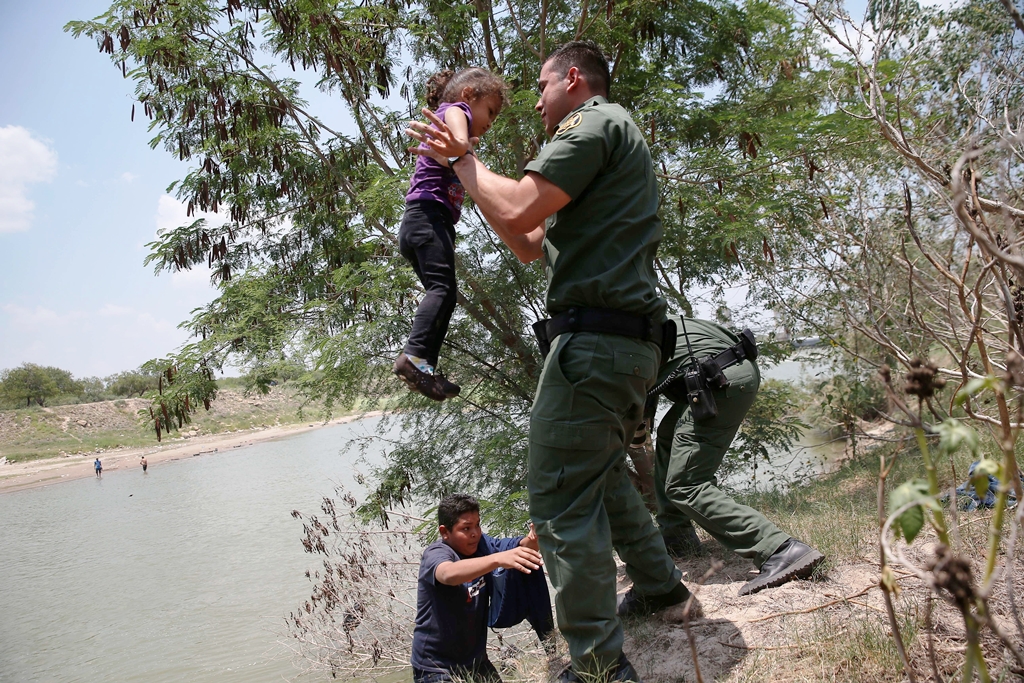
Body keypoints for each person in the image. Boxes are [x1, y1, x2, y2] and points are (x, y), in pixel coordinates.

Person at [407, 41, 690, 682]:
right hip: (624, 343)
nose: (533, 101)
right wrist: (467, 177)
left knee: (560, 498)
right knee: (602, 478)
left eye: (539, 86)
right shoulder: (614, 137)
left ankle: (597, 663)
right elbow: (529, 241)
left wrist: (466, 161)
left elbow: (516, 207)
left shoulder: (593, 121)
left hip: (593, 342)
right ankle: (664, 590)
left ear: (572, 78)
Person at [645, 316, 824, 596]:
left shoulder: (615, 343)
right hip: (729, 369)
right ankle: (677, 538)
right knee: (668, 433)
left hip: (718, 380)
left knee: (685, 484)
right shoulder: (643, 321)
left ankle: (779, 549)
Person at [394, 67, 509, 402]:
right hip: (428, 217)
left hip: (421, 221)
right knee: (443, 290)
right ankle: (412, 358)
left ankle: (423, 365)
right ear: (468, 95)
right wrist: (465, 148)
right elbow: (457, 147)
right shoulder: (455, 111)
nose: (492, 122)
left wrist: (466, 149)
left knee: (445, 292)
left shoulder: (454, 121)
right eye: (490, 111)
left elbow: (458, 152)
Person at [411, 493, 545, 683]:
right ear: (445, 532)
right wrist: (497, 559)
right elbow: (447, 574)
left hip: (476, 662)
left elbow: (520, 548)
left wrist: (535, 538)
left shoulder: (482, 545)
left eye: (477, 525)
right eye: (466, 528)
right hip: (436, 668)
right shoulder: (437, 553)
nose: (475, 533)